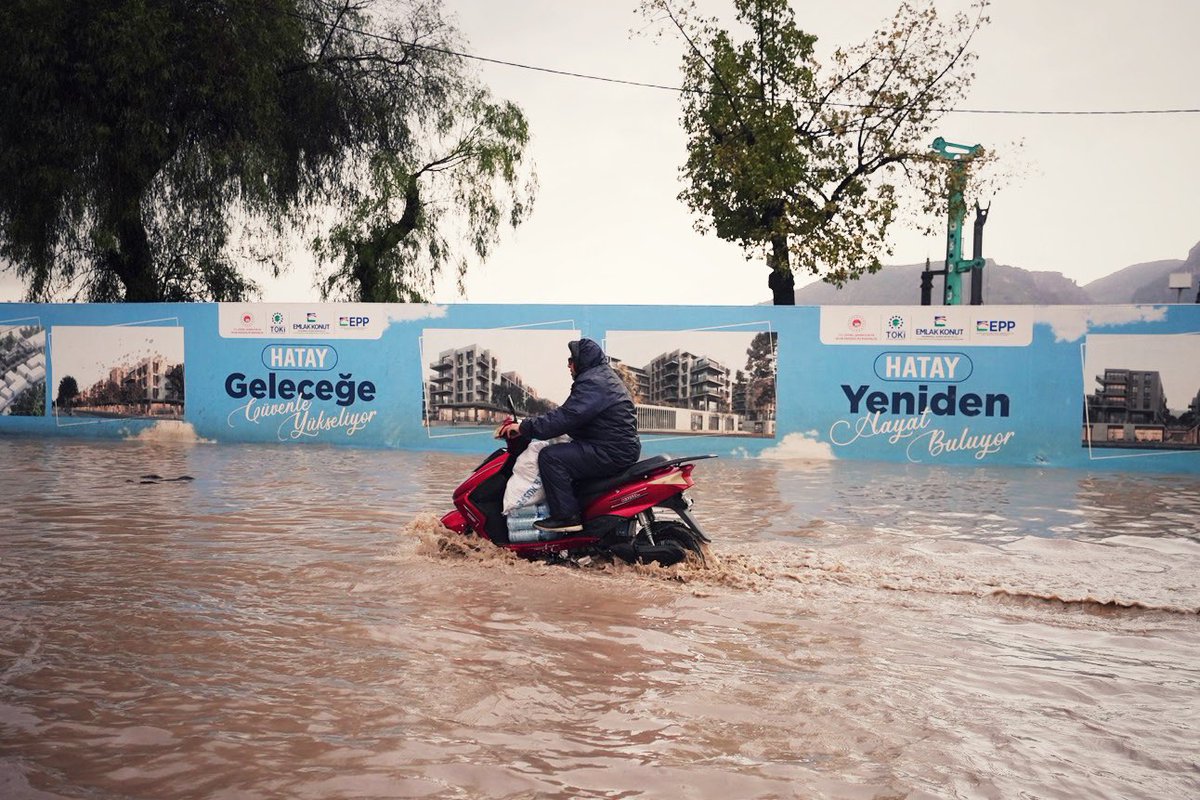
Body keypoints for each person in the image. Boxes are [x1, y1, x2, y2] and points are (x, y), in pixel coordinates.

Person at [495, 338, 640, 533]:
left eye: (572, 359)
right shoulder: (601, 379)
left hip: (610, 451)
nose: (568, 365)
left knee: (551, 457)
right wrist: (528, 423)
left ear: (583, 360)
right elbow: (568, 415)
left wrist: (524, 428)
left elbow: (566, 417)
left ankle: (567, 518)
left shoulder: (593, 382)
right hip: (613, 447)